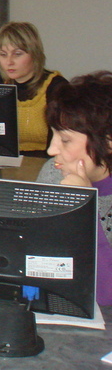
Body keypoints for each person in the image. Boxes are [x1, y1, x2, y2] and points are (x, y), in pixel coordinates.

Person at [36, 71, 112, 305]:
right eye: (53, 135)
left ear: (107, 142)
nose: (51, 150)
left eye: (65, 139)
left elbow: (106, 295)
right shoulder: (53, 172)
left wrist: (85, 207)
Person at [0, 21, 67, 156]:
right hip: (7, 161)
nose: (9, 62)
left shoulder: (57, 88)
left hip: (44, 161)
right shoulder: (0, 88)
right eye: (3, 54)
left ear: (34, 54)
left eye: (17, 54)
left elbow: (60, 146)